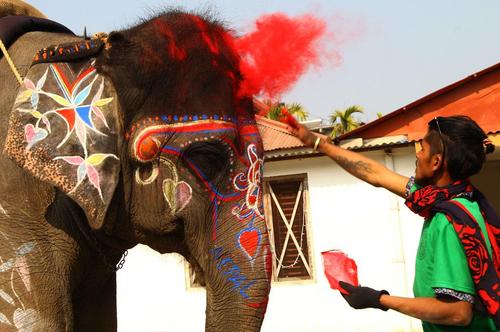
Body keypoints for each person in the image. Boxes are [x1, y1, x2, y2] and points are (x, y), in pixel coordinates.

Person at [290, 115, 499, 331]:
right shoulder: (452, 198)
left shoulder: (448, 221)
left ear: (436, 162)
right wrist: (319, 144)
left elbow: (458, 313)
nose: (417, 154)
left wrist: (379, 299)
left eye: (423, 149)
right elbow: (377, 174)